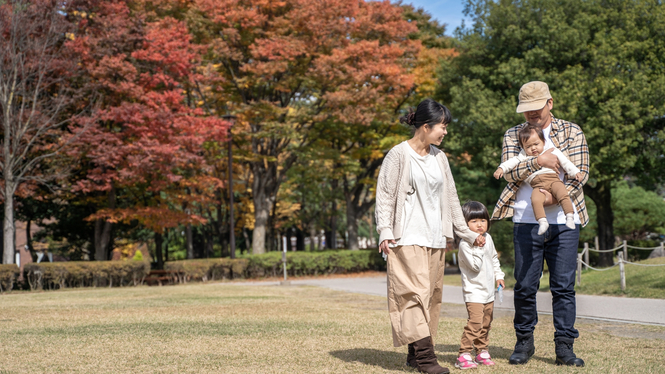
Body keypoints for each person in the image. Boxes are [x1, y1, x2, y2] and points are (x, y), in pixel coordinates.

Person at [376, 98, 485, 374]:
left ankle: (415, 355)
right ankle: (426, 358)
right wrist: (385, 231)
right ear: (425, 127)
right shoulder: (398, 155)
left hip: (436, 239)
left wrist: (466, 234)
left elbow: (451, 197)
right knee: (412, 295)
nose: (445, 132)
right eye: (442, 126)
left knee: (430, 298)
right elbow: (386, 197)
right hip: (406, 237)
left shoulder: (440, 157)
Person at [491, 81, 589, 367]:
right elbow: (509, 173)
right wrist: (539, 161)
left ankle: (565, 347)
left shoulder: (571, 132)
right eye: (526, 110)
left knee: (563, 287)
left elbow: (579, 173)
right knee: (524, 286)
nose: (531, 114)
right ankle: (524, 343)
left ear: (550, 103)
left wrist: (554, 198)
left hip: (565, 220)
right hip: (525, 219)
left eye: (536, 107)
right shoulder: (514, 135)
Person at [493, 124, 583, 235]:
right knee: (535, 200)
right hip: (537, 186)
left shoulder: (552, 151)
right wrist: (501, 168)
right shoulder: (524, 155)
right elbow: (511, 162)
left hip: (553, 180)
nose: (533, 148)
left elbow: (566, 163)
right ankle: (542, 221)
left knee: (563, 194)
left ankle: (569, 216)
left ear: (543, 141)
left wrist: (576, 172)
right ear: (523, 148)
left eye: (536, 144)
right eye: (528, 146)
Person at [455, 201, 505, 370]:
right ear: (465, 224)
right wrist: (477, 245)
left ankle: (482, 351)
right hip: (474, 291)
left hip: (489, 291)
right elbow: (475, 266)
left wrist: (499, 276)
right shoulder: (465, 244)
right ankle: (464, 354)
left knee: (486, 322)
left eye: (483, 220)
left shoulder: (488, 238)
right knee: (475, 322)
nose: (479, 224)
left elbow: (493, 258)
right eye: (474, 221)